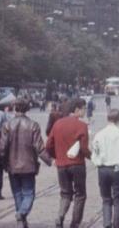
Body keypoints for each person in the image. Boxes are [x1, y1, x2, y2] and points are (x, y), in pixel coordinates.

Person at [0, 98, 46, 228]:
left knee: (17, 193)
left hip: (12, 166)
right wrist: (50, 160)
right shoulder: (33, 125)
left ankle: (21, 219)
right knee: (29, 193)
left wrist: (4, 163)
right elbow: (39, 147)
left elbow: (2, 148)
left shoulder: (7, 125)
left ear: (15, 108)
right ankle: (22, 213)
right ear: (27, 109)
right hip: (28, 165)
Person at [46, 97, 91, 228]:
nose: (85, 111)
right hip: (77, 164)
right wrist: (92, 157)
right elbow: (84, 148)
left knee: (65, 193)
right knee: (80, 194)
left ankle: (60, 216)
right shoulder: (82, 125)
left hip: (61, 165)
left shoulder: (57, 124)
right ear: (77, 109)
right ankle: (75, 224)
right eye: (84, 109)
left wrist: (57, 156)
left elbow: (48, 145)